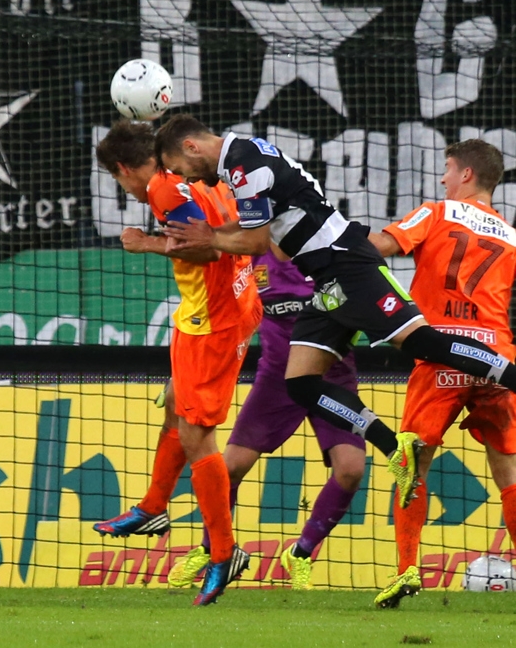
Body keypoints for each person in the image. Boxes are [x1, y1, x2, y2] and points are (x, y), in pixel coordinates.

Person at [154, 114, 516, 508]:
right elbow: (267, 232)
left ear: (191, 147)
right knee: (302, 382)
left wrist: (210, 236)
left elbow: (256, 243)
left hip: (347, 264)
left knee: (420, 341)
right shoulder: (241, 160)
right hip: (325, 279)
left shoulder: (243, 163)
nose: (186, 178)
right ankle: (395, 447)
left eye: (181, 169)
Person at [90, 120, 262, 605]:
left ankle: (224, 553)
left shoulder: (164, 188)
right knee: (172, 400)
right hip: (213, 308)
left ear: (124, 169)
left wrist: (144, 243)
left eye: (119, 180)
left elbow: (206, 249)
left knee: (195, 433)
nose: (125, 189)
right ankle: (153, 507)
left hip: (217, 318)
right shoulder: (199, 176)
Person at [369, 140, 516, 607]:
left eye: (448, 170)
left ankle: (408, 570)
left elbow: (381, 247)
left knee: (412, 462)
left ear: (468, 175)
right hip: (497, 356)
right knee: (509, 469)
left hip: (442, 354)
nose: (443, 179)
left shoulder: (437, 212)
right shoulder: (510, 235)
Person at [168, 249, 365, 591]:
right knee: (227, 469)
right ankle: (212, 549)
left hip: (331, 375)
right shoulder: (249, 257)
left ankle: (300, 553)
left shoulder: (327, 255)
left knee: (350, 470)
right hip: (277, 379)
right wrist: (183, 374)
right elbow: (220, 315)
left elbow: (362, 309)